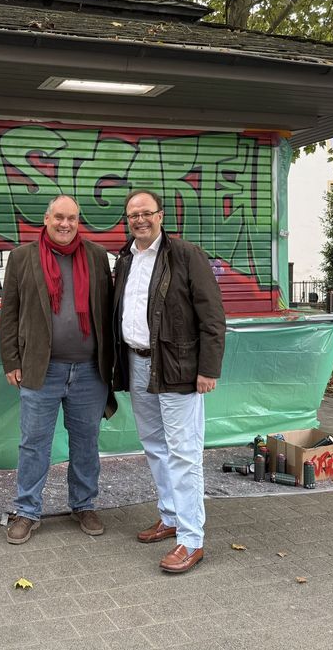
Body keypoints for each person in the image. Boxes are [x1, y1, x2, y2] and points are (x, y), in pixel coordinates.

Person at [112, 190, 226, 573]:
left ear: (161, 216)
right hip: (139, 363)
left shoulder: (186, 255)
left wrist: (208, 369)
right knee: (155, 446)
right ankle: (171, 515)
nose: (139, 220)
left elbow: (212, 316)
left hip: (178, 367)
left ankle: (191, 540)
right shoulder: (126, 258)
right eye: (133, 214)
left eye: (146, 213)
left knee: (183, 452)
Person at [0, 195, 115, 545]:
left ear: (79, 222)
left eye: (73, 219)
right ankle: (27, 510)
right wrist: (11, 361)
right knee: (33, 444)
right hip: (40, 369)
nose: (66, 224)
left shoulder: (95, 257)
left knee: (86, 443)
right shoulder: (22, 258)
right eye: (59, 217)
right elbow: (9, 314)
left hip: (89, 372)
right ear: (46, 219)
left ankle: (84, 504)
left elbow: (109, 311)